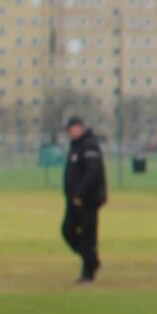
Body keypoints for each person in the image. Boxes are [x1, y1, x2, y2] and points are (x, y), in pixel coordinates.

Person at [61, 115, 107, 284]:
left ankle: (88, 273)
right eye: (69, 129)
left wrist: (80, 194)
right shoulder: (76, 146)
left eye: (73, 128)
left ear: (80, 128)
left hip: (87, 199)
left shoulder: (89, 146)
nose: (71, 132)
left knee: (88, 235)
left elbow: (92, 173)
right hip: (73, 200)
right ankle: (92, 260)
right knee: (68, 231)